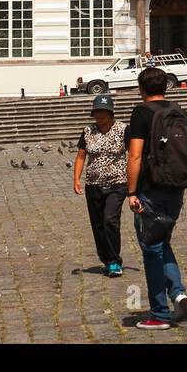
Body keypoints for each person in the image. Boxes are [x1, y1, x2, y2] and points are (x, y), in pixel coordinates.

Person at [126, 66, 187, 330]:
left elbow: (135, 155)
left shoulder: (142, 113)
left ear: (141, 88)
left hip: (150, 189)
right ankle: (178, 294)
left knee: (151, 250)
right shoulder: (179, 111)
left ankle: (159, 313)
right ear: (165, 87)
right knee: (162, 242)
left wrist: (131, 191)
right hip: (176, 188)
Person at [74, 94, 128, 277]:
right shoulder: (88, 131)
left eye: (103, 112)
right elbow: (81, 156)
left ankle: (114, 261)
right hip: (93, 184)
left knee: (110, 220)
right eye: (96, 112)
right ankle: (105, 258)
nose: (99, 115)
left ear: (111, 112)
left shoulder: (123, 129)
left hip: (117, 183)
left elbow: (135, 154)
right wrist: (76, 179)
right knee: (98, 224)